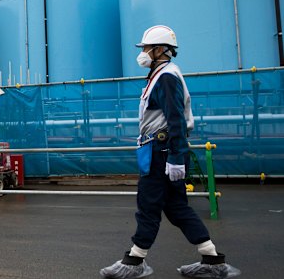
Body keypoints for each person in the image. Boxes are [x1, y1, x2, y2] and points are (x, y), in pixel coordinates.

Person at [99, 25, 240, 279]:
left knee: (148, 203)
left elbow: (175, 119)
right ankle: (212, 258)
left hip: (162, 150)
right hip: (162, 149)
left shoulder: (166, 76)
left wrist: (175, 158)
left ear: (160, 50)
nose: (142, 52)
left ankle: (135, 260)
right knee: (176, 207)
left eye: (146, 48)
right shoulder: (160, 75)